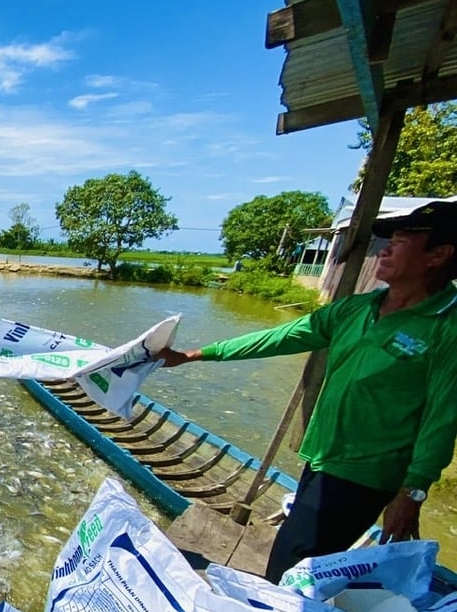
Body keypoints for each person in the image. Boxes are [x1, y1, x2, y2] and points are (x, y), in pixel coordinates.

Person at [158, 199, 457, 582]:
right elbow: (281, 336)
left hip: (365, 474)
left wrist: (412, 493)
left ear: (439, 255)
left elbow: (442, 418)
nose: (386, 248)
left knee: (291, 567)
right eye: (390, 239)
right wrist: (196, 354)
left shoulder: (446, 327)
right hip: (320, 459)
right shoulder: (358, 308)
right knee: (298, 563)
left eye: (403, 240)